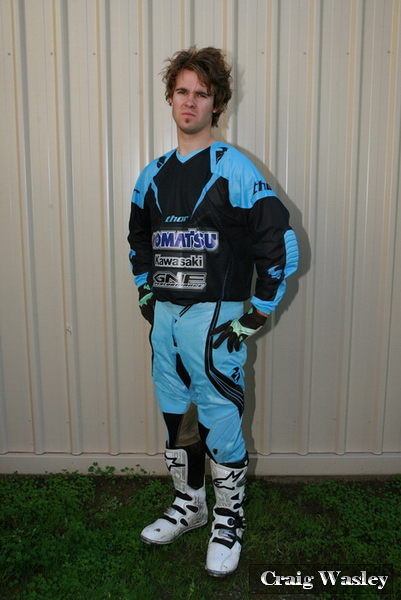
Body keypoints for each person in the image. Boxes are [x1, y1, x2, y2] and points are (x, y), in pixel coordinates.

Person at [128, 46, 298, 577]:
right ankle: (190, 504)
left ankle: (229, 519)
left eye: (201, 94)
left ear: (217, 104)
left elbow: (280, 243)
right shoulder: (152, 174)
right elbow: (138, 240)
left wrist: (257, 313)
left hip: (215, 320)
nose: (190, 101)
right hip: (166, 323)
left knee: (220, 419)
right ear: (170, 97)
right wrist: (145, 292)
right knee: (176, 416)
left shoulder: (235, 170)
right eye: (182, 91)